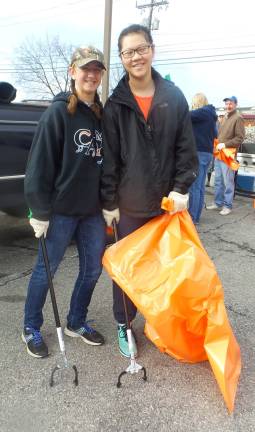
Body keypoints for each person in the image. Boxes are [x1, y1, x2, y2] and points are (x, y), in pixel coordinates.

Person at [101, 24, 198, 358]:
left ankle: (161, 325)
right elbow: (110, 160)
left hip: (167, 205)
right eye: (128, 52)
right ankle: (124, 324)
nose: (135, 57)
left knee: (169, 270)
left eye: (140, 49)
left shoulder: (173, 96)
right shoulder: (116, 105)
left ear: (152, 50)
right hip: (129, 206)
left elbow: (186, 150)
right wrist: (110, 203)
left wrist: (181, 189)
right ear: (122, 59)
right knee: (127, 271)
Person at [22, 46, 106, 358]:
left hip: (92, 211)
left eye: (97, 70)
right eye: (86, 69)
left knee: (93, 269)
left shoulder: (100, 115)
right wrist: (39, 211)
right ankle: (30, 326)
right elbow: (38, 166)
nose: (91, 75)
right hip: (58, 212)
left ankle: (76, 321)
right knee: (46, 271)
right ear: (73, 72)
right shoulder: (58, 113)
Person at [207, 96, 245, 215]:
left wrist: (225, 144)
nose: (228, 106)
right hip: (219, 154)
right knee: (218, 180)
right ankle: (218, 202)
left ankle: (227, 205)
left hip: (228, 155)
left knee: (228, 181)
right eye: (227, 103)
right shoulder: (224, 117)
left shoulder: (238, 118)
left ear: (236, 104)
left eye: (231, 104)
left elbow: (240, 138)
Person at [188, 93, 217, 224]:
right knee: (200, 187)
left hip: (198, 153)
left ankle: (192, 218)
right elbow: (216, 134)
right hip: (208, 154)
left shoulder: (202, 112)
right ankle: (196, 216)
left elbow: (184, 115)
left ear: (197, 102)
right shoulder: (211, 115)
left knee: (194, 186)